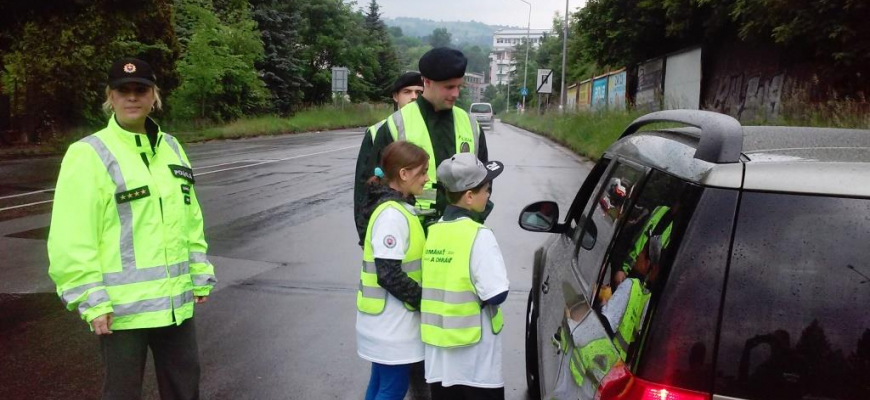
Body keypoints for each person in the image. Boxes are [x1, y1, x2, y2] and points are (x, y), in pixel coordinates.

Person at [47, 58, 216, 400]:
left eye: (141, 90)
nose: (132, 98)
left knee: (186, 389)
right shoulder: (88, 154)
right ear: (110, 97)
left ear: (154, 96)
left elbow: (190, 216)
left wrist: (199, 271)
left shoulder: (170, 146)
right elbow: (71, 236)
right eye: (123, 91)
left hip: (176, 306)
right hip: (121, 313)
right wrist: (90, 301)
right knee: (122, 394)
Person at [362, 47, 491, 229]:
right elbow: (370, 188)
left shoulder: (471, 125)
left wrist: (478, 218)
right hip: (411, 232)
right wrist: (369, 236)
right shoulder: (396, 124)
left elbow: (484, 181)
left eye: (459, 86)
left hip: (460, 233)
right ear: (427, 82)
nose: (455, 94)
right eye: (449, 87)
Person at [420, 153, 509, 400]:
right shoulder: (479, 235)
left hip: (440, 359)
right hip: (476, 361)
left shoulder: (434, 231)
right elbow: (496, 294)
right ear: (469, 196)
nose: (489, 194)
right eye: (486, 189)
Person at [356, 141, 430, 400]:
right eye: (422, 172)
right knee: (392, 389)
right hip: (392, 326)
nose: (427, 178)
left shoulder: (397, 208)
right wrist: (425, 300)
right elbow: (388, 274)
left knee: (380, 385)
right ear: (403, 174)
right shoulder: (391, 216)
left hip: (385, 323)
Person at [354, 72, 425, 245]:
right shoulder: (378, 131)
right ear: (395, 96)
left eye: (419, 92)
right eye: (407, 92)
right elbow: (364, 185)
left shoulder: (428, 129)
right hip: (389, 224)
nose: (413, 97)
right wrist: (364, 233)